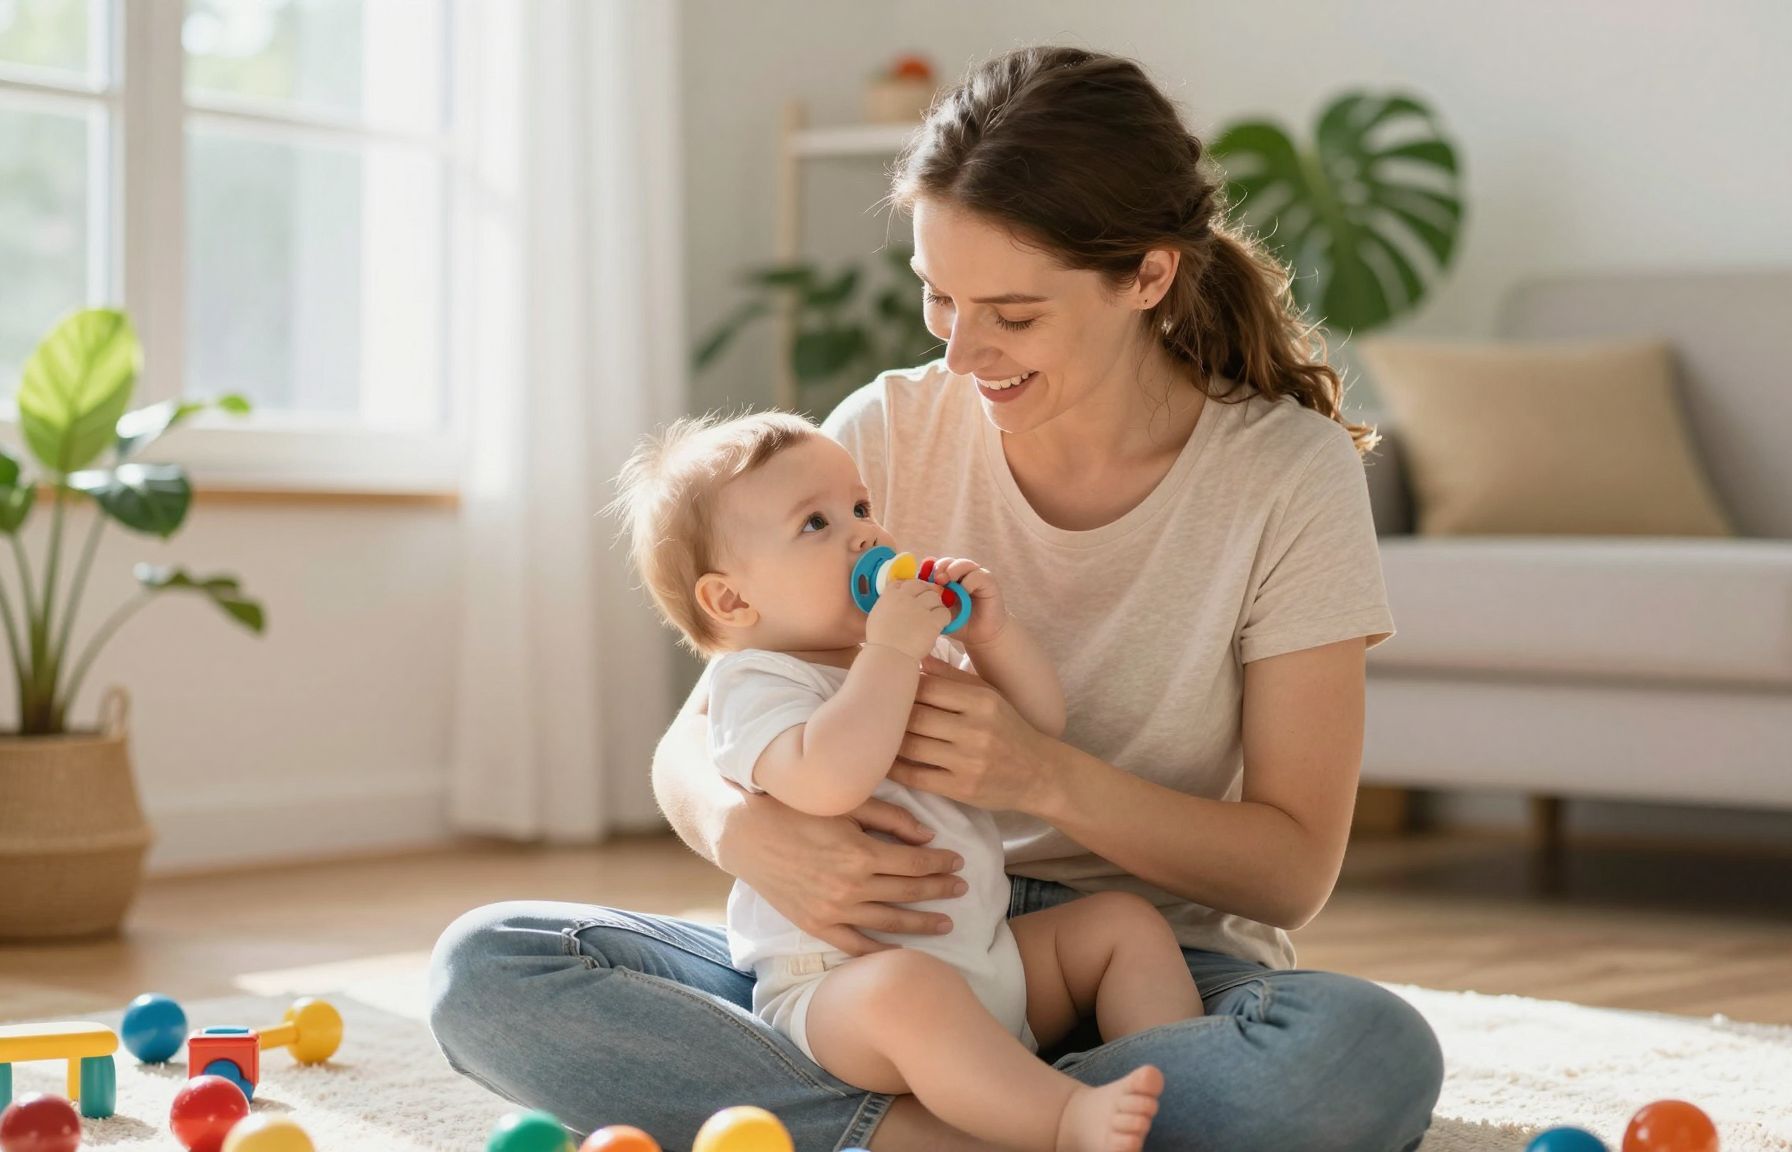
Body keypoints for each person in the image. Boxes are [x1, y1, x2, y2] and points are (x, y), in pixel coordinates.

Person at [428, 45, 1443, 1152]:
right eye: (937, 297)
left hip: (1136, 960)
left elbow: (1290, 871)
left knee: (1360, 1057)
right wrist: (753, 839)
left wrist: (1042, 776)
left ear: (1148, 276)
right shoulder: (887, 431)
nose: (962, 352)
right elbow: (701, 733)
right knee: (491, 966)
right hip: (877, 948)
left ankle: (956, 1117)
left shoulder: (1283, 474)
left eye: (1010, 313)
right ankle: (984, 1125)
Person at [603, 410, 1200, 1151]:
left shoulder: (906, 654)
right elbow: (827, 782)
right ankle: (1062, 1121)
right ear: (731, 600)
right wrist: (890, 652)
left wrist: (990, 637)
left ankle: (1184, 1092)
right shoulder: (758, 682)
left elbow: (1037, 726)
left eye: (860, 507)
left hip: (989, 960)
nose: (863, 533)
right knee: (909, 993)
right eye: (815, 524)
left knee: (1124, 926)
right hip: (843, 991)